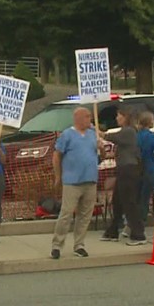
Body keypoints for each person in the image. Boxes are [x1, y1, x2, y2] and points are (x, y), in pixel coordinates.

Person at [50, 107, 102, 259]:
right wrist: (58, 176)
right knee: (66, 213)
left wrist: (102, 149)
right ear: (78, 118)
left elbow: (100, 157)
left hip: (90, 179)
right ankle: (57, 245)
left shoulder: (93, 134)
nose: (89, 119)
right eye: (87, 117)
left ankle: (79, 245)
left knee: (85, 215)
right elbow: (57, 155)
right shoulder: (67, 135)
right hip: (72, 181)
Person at [101, 108, 146, 245]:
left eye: (119, 116)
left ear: (125, 117)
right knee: (118, 201)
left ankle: (138, 234)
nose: (116, 118)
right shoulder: (129, 132)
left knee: (129, 202)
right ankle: (113, 230)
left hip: (129, 170)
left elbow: (113, 138)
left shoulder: (128, 131)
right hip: (124, 169)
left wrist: (100, 134)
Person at [135, 111, 154, 234]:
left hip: (137, 169)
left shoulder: (136, 135)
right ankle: (140, 225)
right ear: (149, 122)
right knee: (145, 199)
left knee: (138, 197)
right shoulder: (151, 136)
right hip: (149, 169)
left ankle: (133, 223)